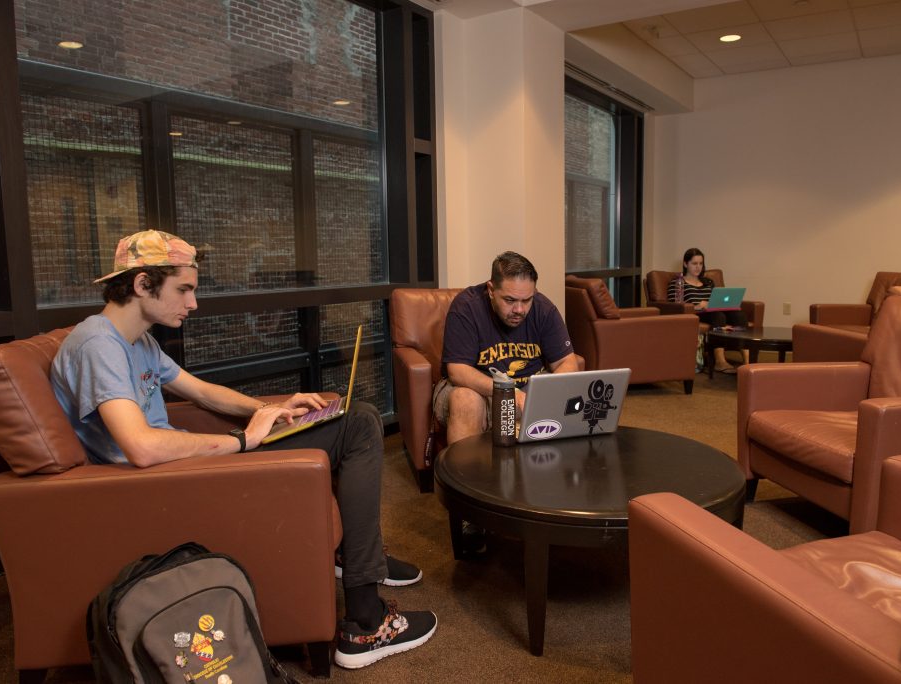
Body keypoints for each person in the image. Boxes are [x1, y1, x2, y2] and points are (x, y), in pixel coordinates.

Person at [50, 230, 436, 670]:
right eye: (184, 289)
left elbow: (202, 393)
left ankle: (355, 557)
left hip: (187, 468)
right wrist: (243, 439)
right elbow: (140, 446)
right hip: (163, 483)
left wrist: (272, 408)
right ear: (142, 284)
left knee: (349, 416)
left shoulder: (139, 341)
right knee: (361, 426)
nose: (193, 303)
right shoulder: (99, 344)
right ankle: (366, 621)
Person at [434, 251, 579, 445]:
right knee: (465, 401)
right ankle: (466, 474)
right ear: (491, 290)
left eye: (527, 300)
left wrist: (545, 394)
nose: (519, 309)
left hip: (528, 388)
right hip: (478, 389)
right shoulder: (466, 307)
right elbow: (458, 371)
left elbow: (566, 361)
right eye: (510, 300)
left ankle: (539, 472)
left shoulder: (544, 309)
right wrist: (509, 391)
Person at [666, 247, 748, 374]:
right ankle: (720, 362)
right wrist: (697, 306)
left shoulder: (708, 282)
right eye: (694, 263)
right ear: (685, 264)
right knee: (718, 316)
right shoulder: (678, 283)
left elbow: (717, 299)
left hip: (712, 310)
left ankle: (747, 362)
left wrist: (725, 303)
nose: (698, 267)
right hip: (696, 313)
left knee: (739, 315)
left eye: (700, 263)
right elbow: (675, 307)